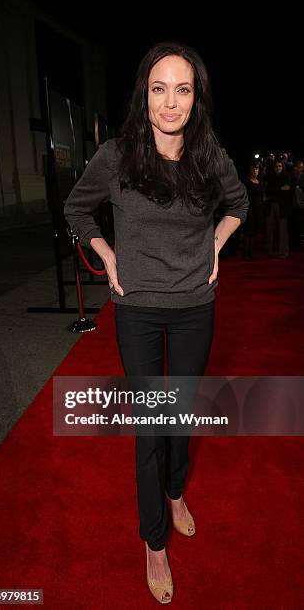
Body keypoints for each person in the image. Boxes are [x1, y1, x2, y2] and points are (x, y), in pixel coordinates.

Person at [64, 41, 249, 604]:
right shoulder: (116, 156)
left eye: (183, 90)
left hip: (196, 307)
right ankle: (154, 541)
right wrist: (109, 256)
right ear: (144, 96)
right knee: (151, 427)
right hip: (139, 309)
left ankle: (175, 492)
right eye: (159, 88)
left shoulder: (209, 153)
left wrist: (215, 244)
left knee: (181, 414)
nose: (171, 103)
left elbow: (238, 203)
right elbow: (77, 208)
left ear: (197, 99)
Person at [265, 160, 291, 258]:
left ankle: (283, 252)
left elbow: (288, 191)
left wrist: (276, 190)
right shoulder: (270, 176)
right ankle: (268, 251)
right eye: (276, 166)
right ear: (274, 167)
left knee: (283, 230)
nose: (278, 168)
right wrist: (280, 188)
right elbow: (268, 190)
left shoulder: (286, 176)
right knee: (269, 229)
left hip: (282, 207)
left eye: (280, 166)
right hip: (270, 205)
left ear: (282, 167)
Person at [242, 162, 264, 260]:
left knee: (254, 232)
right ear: (250, 170)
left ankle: (251, 253)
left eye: (257, 169)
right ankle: (246, 254)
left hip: (257, 210)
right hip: (249, 210)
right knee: (248, 233)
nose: (255, 171)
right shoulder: (246, 182)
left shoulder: (260, 182)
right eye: (254, 169)